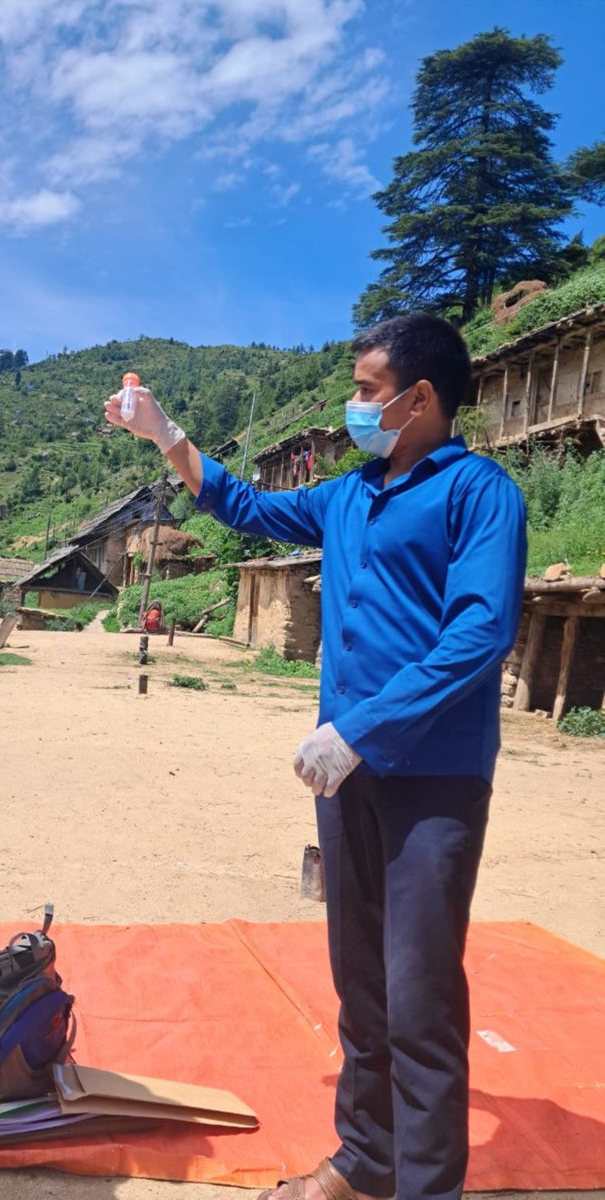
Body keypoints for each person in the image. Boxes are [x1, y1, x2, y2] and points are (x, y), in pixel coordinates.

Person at [104, 313, 527, 1200]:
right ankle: (366, 1159)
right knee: (360, 983)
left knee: (419, 996)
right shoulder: (348, 494)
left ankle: (425, 1186)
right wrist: (167, 435)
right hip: (347, 776)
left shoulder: (480, 492)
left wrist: (362, 729)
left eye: (368, 390)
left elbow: (481, 631)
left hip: (432, 778)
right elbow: (245, 507)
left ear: (420, 398)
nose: (354, 406)